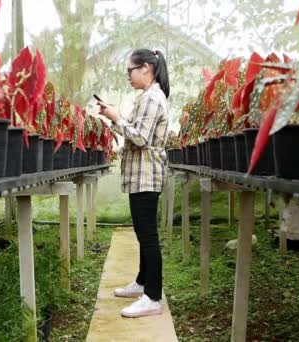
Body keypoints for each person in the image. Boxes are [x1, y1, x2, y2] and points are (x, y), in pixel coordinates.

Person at [97, 48, 170, 318]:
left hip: (147, 177)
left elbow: (141, 138)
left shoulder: (152, 98)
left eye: (130, 70)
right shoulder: (147, 97)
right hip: (142, 175)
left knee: (148, 236)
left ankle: (152, 297)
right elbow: (138, 132)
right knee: (143, 234)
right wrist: (115, 118)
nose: (128, 75)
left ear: (146, 69)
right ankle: (142, 282)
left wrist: (117, 118)